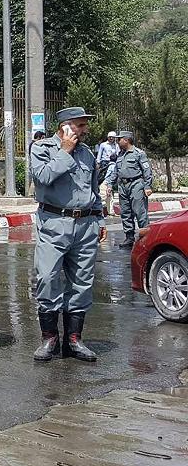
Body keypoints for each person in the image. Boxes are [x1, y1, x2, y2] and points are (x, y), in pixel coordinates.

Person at [28, 107, 106, 362]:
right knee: (48, 278)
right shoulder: (41, 149)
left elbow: (93, 189)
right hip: (54, 223)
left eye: (85, 125)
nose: (85, 130)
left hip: (85, 225)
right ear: (65, 126)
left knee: (82, 282)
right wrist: (65, 151)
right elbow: (43, 176)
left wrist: (99, 219)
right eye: (80, 125)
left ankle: (74, 339)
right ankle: (49, 338)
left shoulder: (87, 153)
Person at [105, 130, 153, 251]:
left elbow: (147, 171)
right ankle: (129, 237)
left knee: (139, 212)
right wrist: (110, 184)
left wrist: (147, 186)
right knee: (125, 213)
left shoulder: (138, 153)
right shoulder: (120, 154)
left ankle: (145, 238)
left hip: (136, 184)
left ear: (126, 140)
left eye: (119, 139)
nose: (118, 141)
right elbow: (116, 171)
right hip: (123, 186)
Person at [96, 131, 121, 214]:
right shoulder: (103, 145)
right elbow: (99, 154)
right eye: (110, 137)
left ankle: (110, 208)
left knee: (110, 185)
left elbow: (118, 153)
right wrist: (98, 163)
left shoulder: (116, 145)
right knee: (104, 182)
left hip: (113, 162)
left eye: (112, 137)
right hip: (105, 162)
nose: (111, 138)